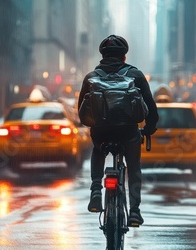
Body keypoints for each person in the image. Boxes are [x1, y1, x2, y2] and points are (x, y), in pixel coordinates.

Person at [78, 34, 159, 226]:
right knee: (134, 165)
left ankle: (96, 190)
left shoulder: (91, 78)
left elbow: (82, 112)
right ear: (124, 57)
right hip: (128, 131)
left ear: (103, 56)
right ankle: (134, 212)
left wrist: (95, 125)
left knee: (98, 149)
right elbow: (151, 108)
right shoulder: (136, 75)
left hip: (102, 131)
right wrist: (149, 128)